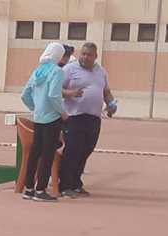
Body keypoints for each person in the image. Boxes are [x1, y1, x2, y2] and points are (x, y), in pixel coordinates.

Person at [19, 42, 84, 202]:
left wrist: (36, 108)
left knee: (35, 153)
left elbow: (25, 95)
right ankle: (41, 190)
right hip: (52, 119)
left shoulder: (37, 71)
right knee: (48, 154)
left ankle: (29, 189)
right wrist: (63, 113)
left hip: (38, 118)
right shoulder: (56, 71)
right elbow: (54, 96)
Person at [59, 42, 116, 197]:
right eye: (83, 54)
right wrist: (71, 93)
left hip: (93, 118)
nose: (84, 57)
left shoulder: (101, 71)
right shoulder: (69, 69)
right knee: (72, 150)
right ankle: (65, 185)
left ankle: (76, 183)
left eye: (89, 55)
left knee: (85, 151)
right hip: (74, 117)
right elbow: (56, 89)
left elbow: (106, 91)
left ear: (95, 56)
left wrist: (111, 104)